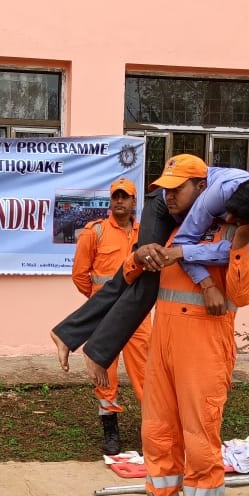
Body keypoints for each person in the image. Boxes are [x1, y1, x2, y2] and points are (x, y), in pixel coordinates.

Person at [118, 178, 249, 496]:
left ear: (201, 187)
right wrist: (139, 254)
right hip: (164, 343)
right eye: (167, 190)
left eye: (178, 189)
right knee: (157, 432)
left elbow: (244, 295)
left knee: (200, 438)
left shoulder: (235, 231)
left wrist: (243, 240)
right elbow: (129, 274)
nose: (170, 196)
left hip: (206, 345)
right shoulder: (172, 231)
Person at [49, 155, 249, 387]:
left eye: (238, 219)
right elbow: (184, 242)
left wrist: (234, 243)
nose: (230, 218)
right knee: (148, 267)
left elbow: (227, 251)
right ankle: (92, 348)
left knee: (149, 270)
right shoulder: (215, 194)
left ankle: (73, 336)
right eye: (228, 213)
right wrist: (204, 279)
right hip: (166, 210)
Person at [70, 177, 151, 454]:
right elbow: (80, 275)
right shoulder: (96, 232)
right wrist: (99, 303)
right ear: (110, 200)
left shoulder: (147, 233)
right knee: (105, 372)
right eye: (115, 196)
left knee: (146, 373)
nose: (119, 201)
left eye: (125, 197)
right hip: (105, 316)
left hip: (138, 316)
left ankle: (153, 429)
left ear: (133, 201)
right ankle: (110, 429)